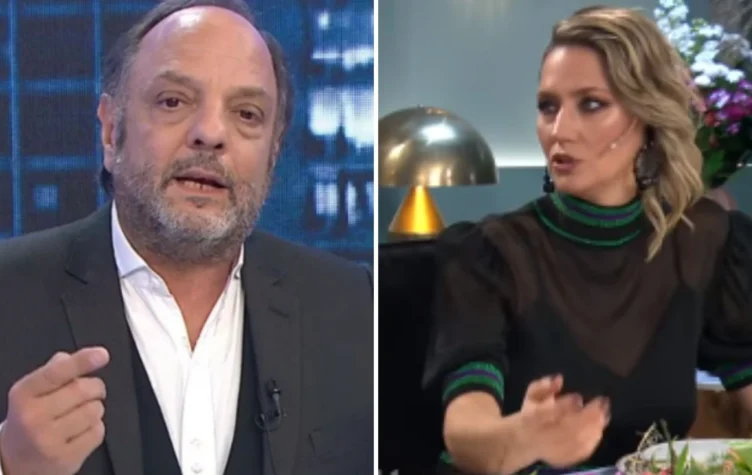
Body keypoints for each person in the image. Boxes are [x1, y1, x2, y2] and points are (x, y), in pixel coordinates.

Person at [0, 1, 373, 475]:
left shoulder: (352, 306)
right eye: (173, 102)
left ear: (274, 153)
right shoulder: (8, 293)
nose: (211, 133)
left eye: (247, 114)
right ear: (111, 132)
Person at [423, 5, 752, 475]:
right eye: (548, 107)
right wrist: (521, 438)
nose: (559, 131)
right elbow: (465, 436)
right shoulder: (491, 253)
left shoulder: (705, 242)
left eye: (591, 104)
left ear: (646, 116)